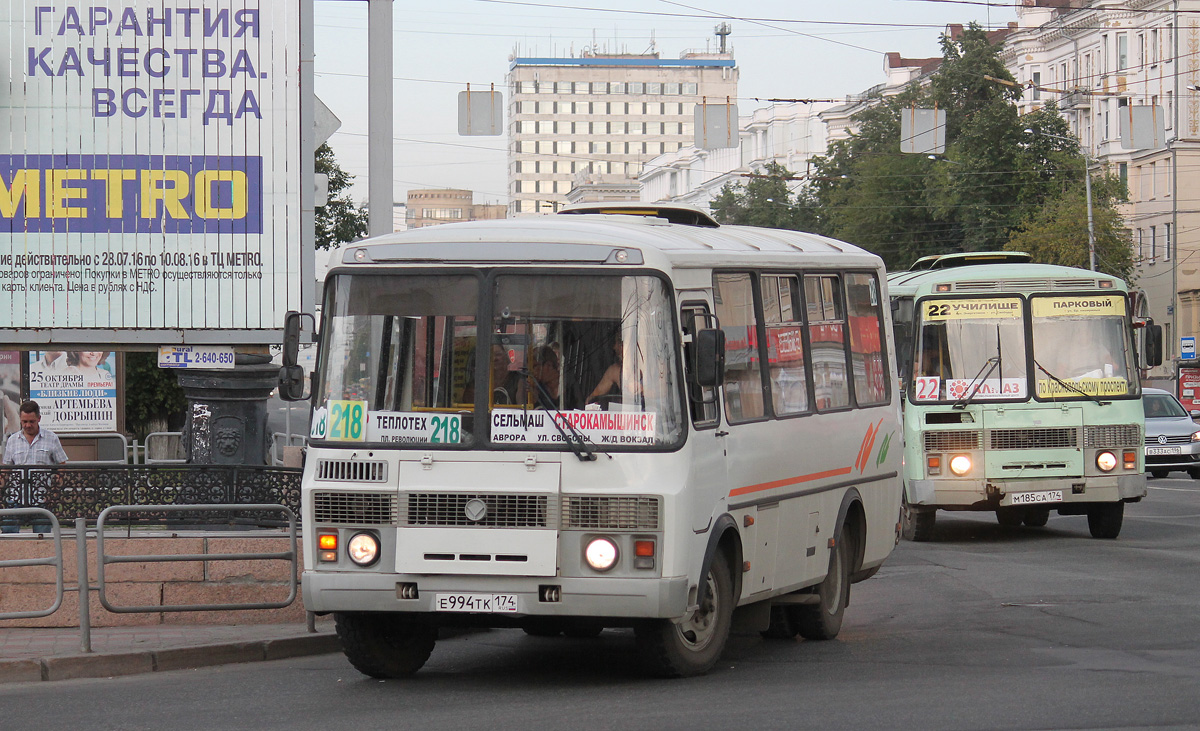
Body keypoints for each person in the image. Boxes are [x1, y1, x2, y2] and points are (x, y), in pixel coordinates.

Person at [1, 400, 68, 534]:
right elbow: (6, 468)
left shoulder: (51, 438)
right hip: (16, 496)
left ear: (39, 419)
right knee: (8, 536)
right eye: (24, 422)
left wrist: (54, 491)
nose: (27, 425)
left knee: (42, 538)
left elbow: (62, 466)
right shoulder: (12, 440)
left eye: (31, 421)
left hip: (41, 497)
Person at [587, 337, 625, 405]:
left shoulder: (648, 366)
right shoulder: (615, 370)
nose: (615, 347)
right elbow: (592, 398)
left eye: (620, 343)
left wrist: (642, 390)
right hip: (625, 414)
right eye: (616, 343)